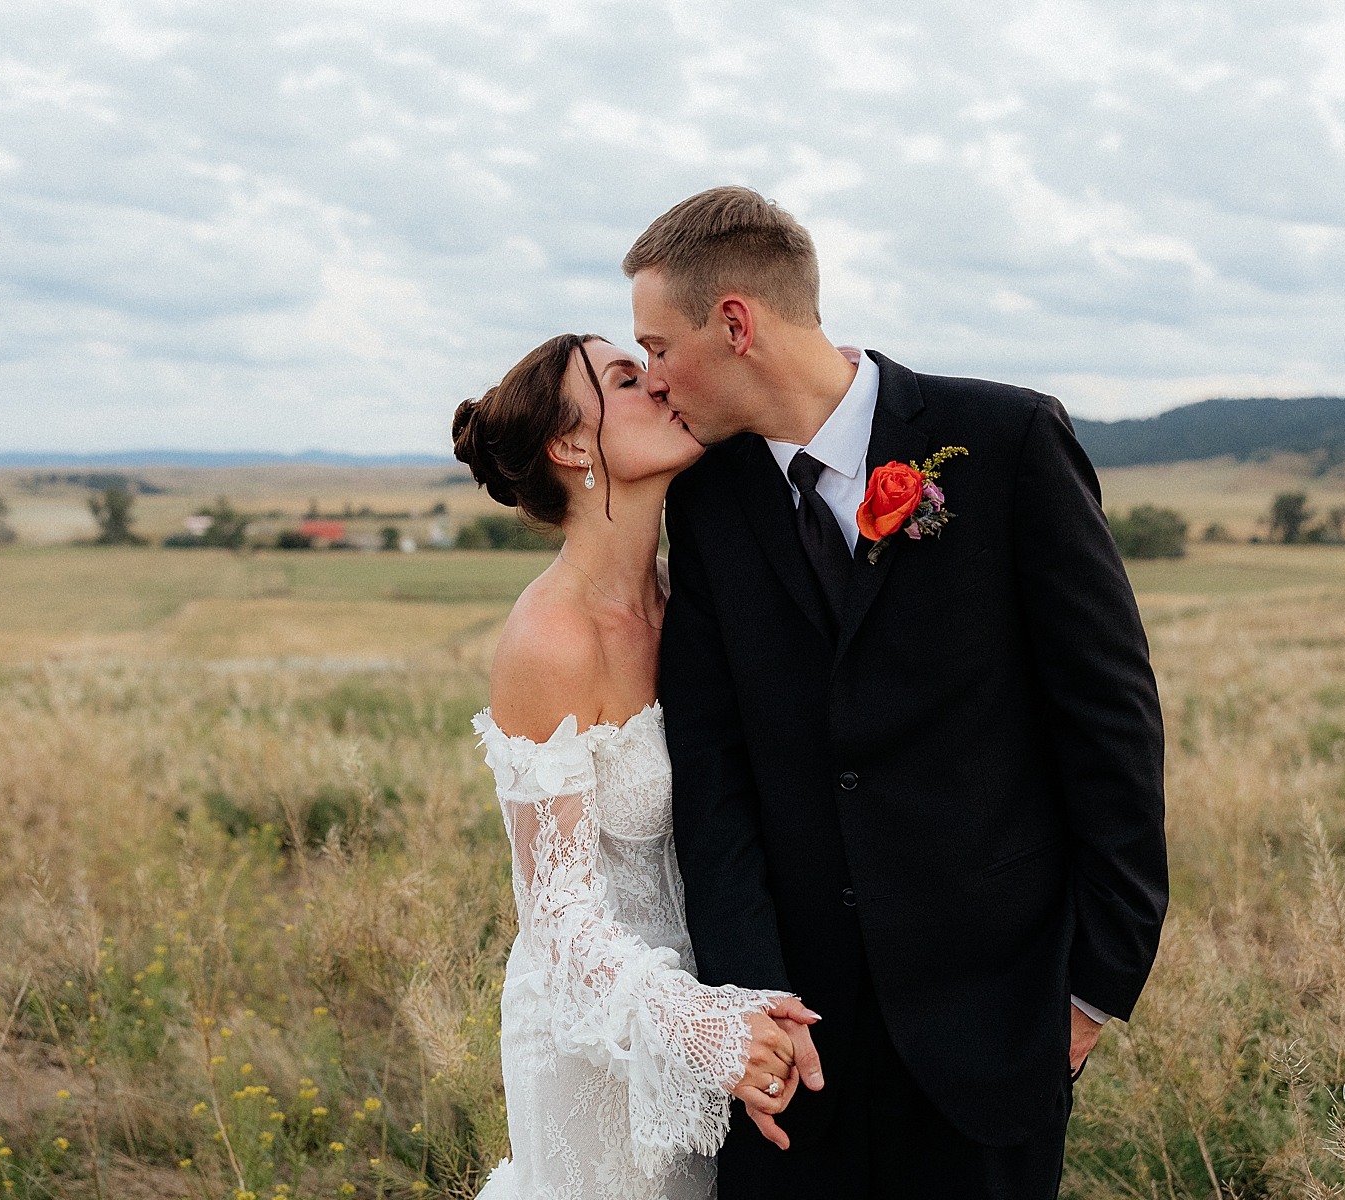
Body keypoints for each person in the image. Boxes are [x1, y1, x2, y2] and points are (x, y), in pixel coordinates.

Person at [627, 186, 1170, 1198]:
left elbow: (1112, 724)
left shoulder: (1003, 442)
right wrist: (751, 999)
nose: (653, 380)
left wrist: (1094, 989)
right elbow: (713, 765)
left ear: (736, 323)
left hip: (996, 1023)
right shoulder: (707, 505)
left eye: (658, 346)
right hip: (797, 1054)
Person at [453, 333, 823, 1200]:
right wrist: (701, 1027)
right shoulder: (550, 637)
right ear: (572, 445)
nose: (659, 384)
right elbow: (559, 915)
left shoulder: (683, 599)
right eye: (625, 379)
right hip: (603, 1034)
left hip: (721, 1008)